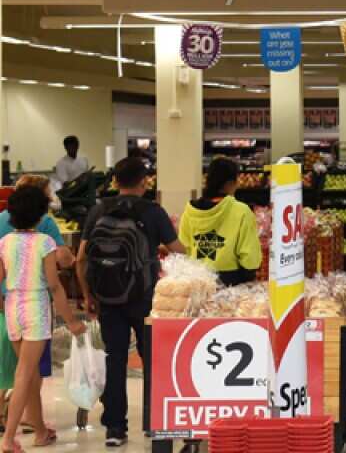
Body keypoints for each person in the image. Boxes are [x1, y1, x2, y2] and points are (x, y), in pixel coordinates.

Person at [78, 156, 184, 448]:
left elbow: (81, 258)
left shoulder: (99, 209)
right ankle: (153, 423)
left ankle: (115, 428)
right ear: (144, 181)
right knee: (153, 360)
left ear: (114, 181)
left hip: (108, 297)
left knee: (116, 359)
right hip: (145, 296)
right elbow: (179, 251)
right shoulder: (153, 212)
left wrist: (89, 296)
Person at [0, 187, 86, 453]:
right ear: (40, 214)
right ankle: (7, 440)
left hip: (12, 307)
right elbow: (55, 286)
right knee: (24, 374)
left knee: (32, 375)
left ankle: (40, 432)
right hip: (36, 309)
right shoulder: (45, 243)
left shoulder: (4, 243)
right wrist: (71, 321)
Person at [179, 157, 262, 286]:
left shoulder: (190, 212)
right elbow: (249, 257)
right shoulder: (242, 211)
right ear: (230, 183)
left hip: (197, 283)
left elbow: (184, 249)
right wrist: (248, 275)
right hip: (232, 282)